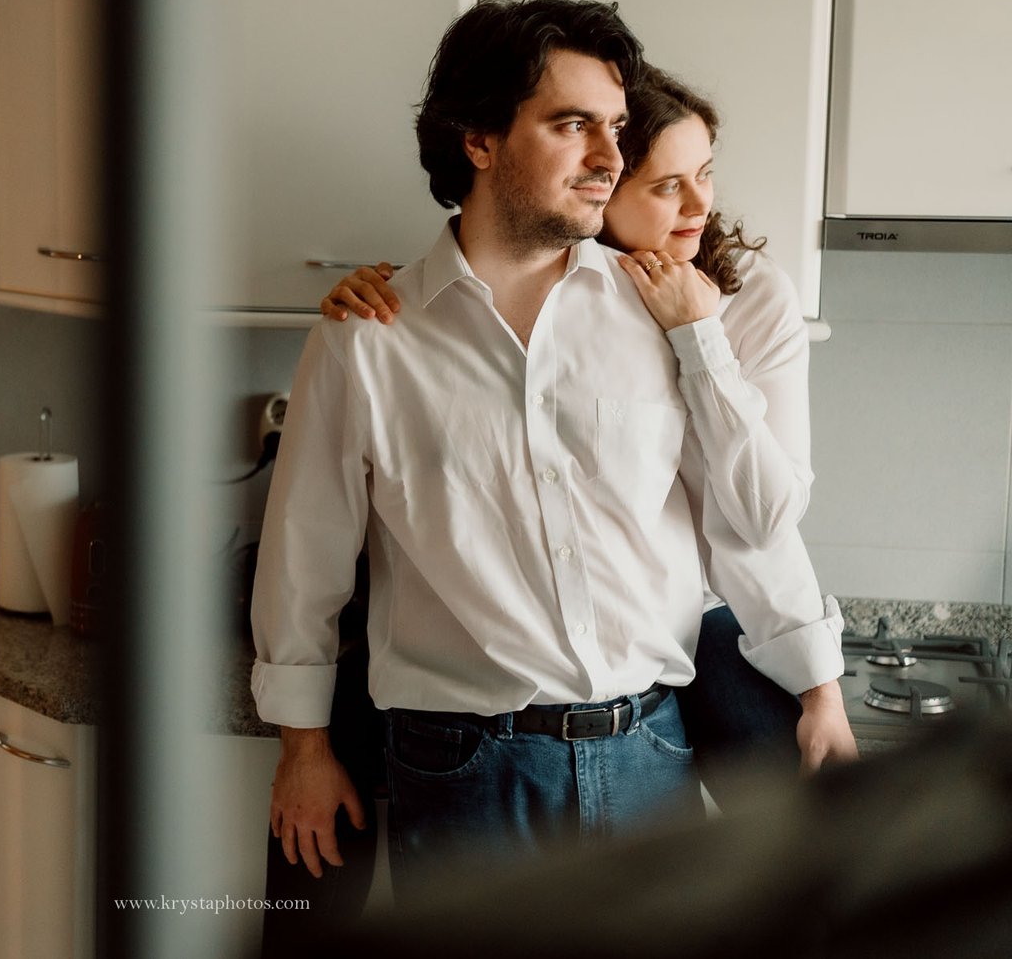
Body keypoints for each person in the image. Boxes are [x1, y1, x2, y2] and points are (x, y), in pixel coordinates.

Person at [249, 0, 857, 894]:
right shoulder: (367, 336)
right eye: (574, 126)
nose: (611, 157)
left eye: (614, 128)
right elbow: (305, 560)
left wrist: (818, 687)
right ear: (479, 139)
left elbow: (744, 523)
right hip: (460, 772)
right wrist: (302, 749)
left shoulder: (666, 311)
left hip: (651, 751)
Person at [319, 67, 827, 796]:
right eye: (663, 187)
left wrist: (822, 690)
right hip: (496, 666)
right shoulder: (512, 302)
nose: (699, 208)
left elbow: (760, 521)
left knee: (804, 850)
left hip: (712, 620)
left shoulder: (749, 295)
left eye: (706, 175)